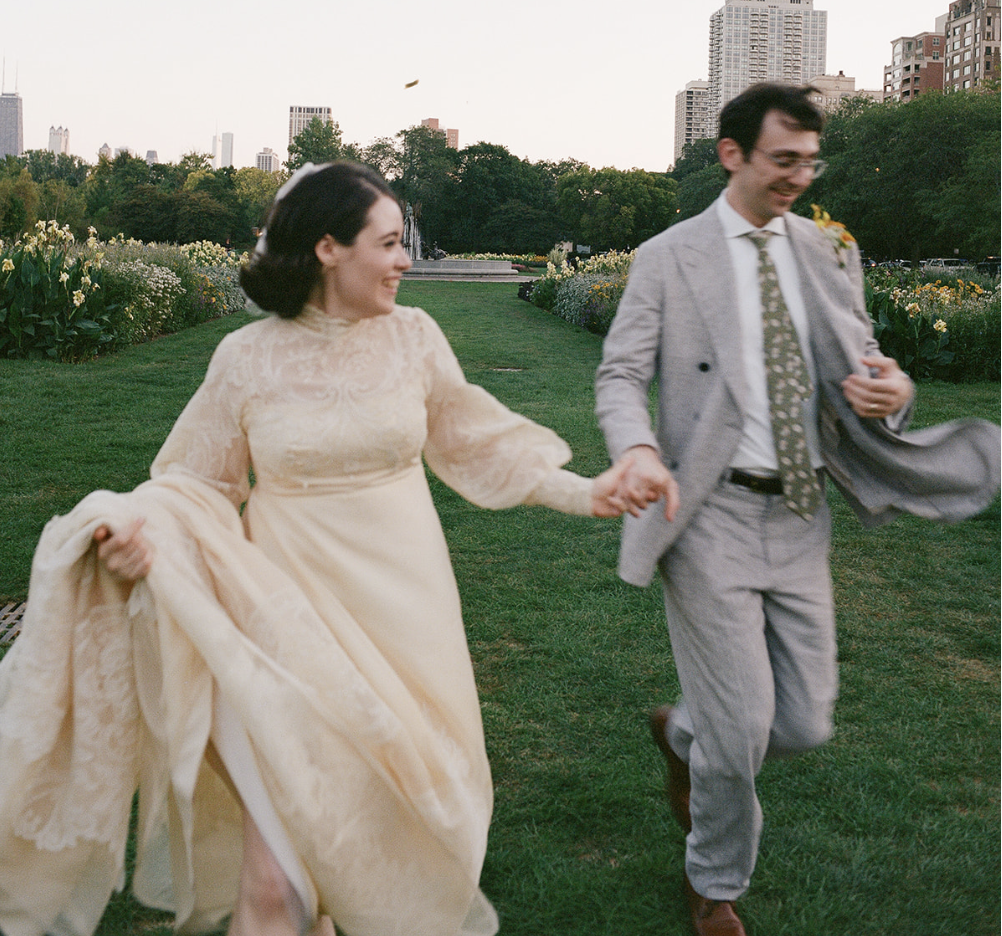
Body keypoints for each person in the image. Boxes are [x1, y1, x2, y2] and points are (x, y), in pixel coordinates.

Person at [0, 161, 635, 936]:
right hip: (283, 618)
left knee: (391, 825)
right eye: (390, 242)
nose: (406, 260)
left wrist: (588, 492)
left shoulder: (414, 338)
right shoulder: (246, 357)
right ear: (329, 248)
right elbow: (194, 481)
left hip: (408, 614)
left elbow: (476, 441)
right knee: (271, 890)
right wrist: (138, 534)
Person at [594, 83, 1000, 936]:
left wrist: (895, 387)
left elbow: (866, 359)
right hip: (706, 514)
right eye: (784, 160)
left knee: (806, 723)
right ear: (733, 154)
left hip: (801, 515)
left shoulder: (825, 250)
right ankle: (715, 883)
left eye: (810, 162)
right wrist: (634, 446)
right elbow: (621, 374)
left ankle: (684, 739)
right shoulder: (670, 255)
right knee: (743, 728)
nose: (799, 178)